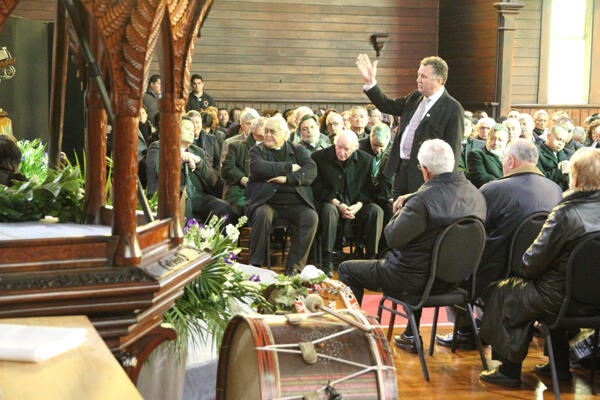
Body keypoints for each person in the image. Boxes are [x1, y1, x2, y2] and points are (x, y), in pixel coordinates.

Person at [338, 139, 486, 353]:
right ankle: (410, 333)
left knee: (347, 269)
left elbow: (392, 237)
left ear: (425, 171)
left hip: (414, 281)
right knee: (419, 255)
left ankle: (351, 337)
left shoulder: (421, 201)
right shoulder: (476, 194)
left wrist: (400, 210)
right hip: (458, 282)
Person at [479, 147, 600, 388]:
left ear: (574, 178)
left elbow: (531, 264)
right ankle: (559, 367)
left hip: (561, 297)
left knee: (509, 290)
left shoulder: (565, 212)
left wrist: (523, 271)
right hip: (594, 298)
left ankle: (509, 371)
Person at [436, 139, 562, 349]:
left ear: (510, 160)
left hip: (497, 275)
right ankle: (484, 323)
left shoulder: (495, 189)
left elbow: (471, 231)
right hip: (540, 274)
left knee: (454, 264)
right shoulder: (555, 189)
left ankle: (466, 330)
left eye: (503, 159)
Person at [356, 54, 464, 198]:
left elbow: (453, 152)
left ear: (439, 80)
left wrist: (441, 184)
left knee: (417, 217)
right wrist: (371, 83)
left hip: (425, 177)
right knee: (397, 215)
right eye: (418, 75)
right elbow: (388, 106)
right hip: (400, 170)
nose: (418, 79)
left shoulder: (452, 108)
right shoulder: (415, 97)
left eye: (423, 76)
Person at [246, 116, 318, 275]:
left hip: (295, 203)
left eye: (272, 132)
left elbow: (311, 171)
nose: (267, 135)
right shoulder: (257, 150)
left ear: (285, 134)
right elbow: (259, 168)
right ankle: (255, 264)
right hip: (266, 202)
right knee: (262, 214)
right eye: (266, 131)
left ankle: (294, 267)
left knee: (311, 217)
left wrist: (288, 178)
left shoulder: (298, 149)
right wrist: (289, 167)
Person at [311, 130, 384, 275]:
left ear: (355, 148)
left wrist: (357, 206)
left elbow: (368, 189)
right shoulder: (319, 157)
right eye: (339, 147)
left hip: (355, 205)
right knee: (329, 210)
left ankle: (370, 259)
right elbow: (317, 187)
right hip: (331, 203)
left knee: (376, 211)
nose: (341, 152)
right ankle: (328, 259)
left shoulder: (366, 160)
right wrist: (338, 204)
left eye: (346, 149)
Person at [221, 118, 265, 215]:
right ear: (253, 129)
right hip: (241, 191)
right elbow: (227, 168)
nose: (266, 128)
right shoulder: (237, 146)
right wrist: (242, 178)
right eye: (263, 125)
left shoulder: (273, 148)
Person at [537, 124, 572, 191]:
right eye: (559, 139)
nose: (561, 143)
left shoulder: (568, 154)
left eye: (564, 141)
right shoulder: (537, 153)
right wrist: (561, 170)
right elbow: (540, 178)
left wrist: (570, 168)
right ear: (548, 136)